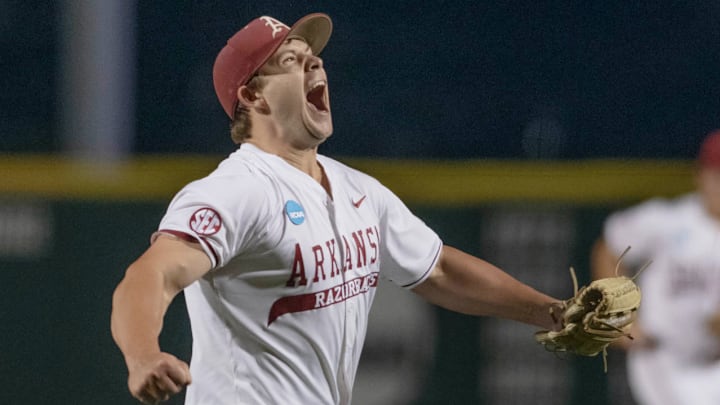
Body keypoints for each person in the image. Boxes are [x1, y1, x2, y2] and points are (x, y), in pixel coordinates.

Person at [110, 13, 564, 405]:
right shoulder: (237, 191)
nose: (314, 62)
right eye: (290, 60)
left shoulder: (356, 188)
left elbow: (439, 269)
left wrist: (552, 313)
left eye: (313, 55)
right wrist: (143, 356)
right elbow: (150, 275)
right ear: (252, 97)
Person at [591, 130, 720, 405]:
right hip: (662, 356)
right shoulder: (668, 221)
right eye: (717, 174)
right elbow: (609, 246)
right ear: (701, 176)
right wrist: (618, 315)